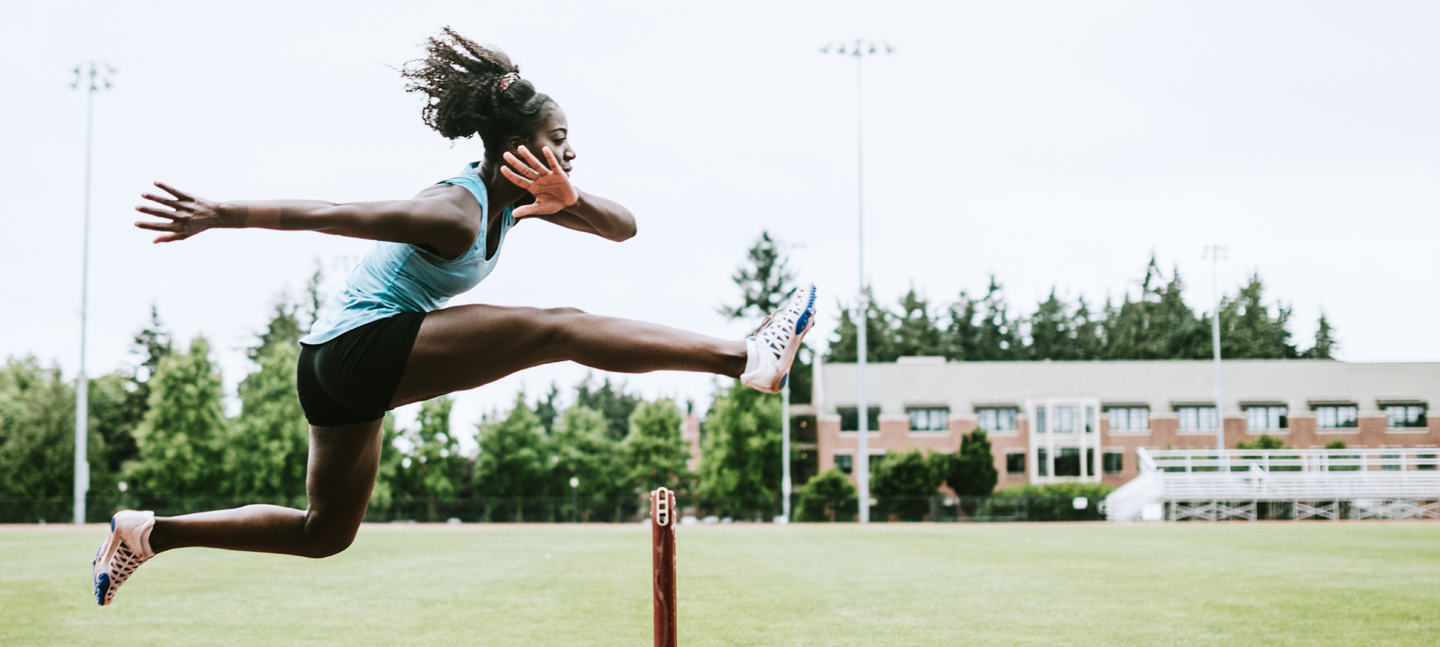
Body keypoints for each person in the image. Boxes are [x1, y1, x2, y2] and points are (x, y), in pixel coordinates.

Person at [93, 28, 817, 606]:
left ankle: (147, 532)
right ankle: (746, 356)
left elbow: (624, 228)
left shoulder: (519, 202)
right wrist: (222, 213)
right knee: (556, 325)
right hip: (356, 348)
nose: (572, 150)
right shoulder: (458, 209)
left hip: (332, 368)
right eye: (560, 138)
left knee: (324, 532)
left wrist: (569, 198)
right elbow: (340, 213)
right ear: (516, 147)